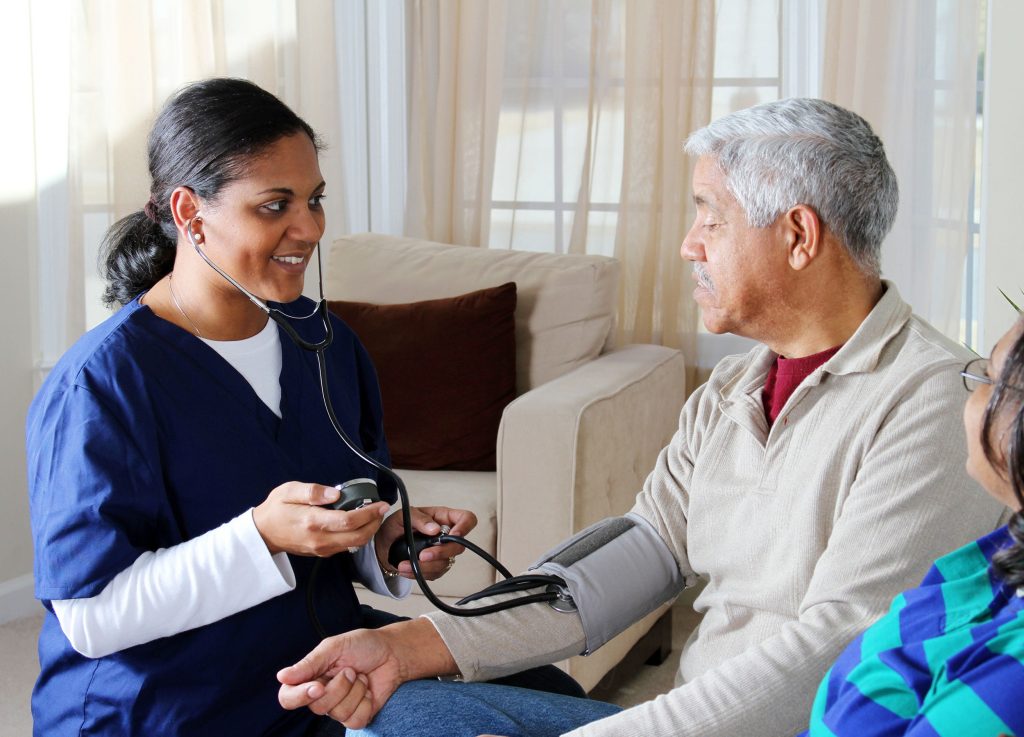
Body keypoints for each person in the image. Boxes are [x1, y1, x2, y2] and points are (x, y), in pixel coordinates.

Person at [275, 97, 1011, 737]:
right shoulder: (732, 387)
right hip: (696, 713)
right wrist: (414, 642)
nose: (690, 244)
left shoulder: (933, 400)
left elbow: (835, 652)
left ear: (797, 235)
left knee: (414, 721)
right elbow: (637, 555)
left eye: (710, 217)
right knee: (404, 688)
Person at [25, 78, 578, 737]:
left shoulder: (327, 344)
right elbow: (89, 618)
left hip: (318, 663)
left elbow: (341, 520)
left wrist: (387, 544)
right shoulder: (102, 383)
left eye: (315, 199)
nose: (310, 227)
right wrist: (261, 534)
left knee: (547, 687)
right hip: (167, 705)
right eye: (275, 205)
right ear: (189, 213)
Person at [795, 317, 1024, 735]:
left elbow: (838, 632)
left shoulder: (921, 392)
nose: (689, 249)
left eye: (989, 378)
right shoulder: (997, 557)